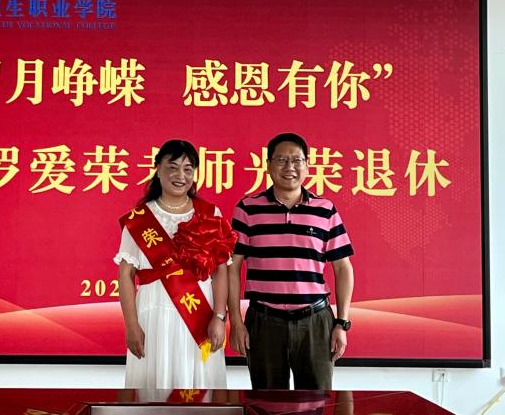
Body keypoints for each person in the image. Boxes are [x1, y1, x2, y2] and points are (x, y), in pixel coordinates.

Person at [228, 132, 355, 390]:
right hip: (263, 322)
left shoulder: (325, 209)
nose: (290, 167)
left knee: (316, 402)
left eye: (297, 160)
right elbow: (232, 268)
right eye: (281, 160)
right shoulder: (248, 209)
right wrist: (236, 323)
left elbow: (343, 268)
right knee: (267, 402)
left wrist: (341, 323)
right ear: (268, 165)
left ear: (307, 165)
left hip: (315, 322)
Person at [115, 139, 236, 389]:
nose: (181, 176)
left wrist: (219, 316)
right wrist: (131, 325)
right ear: (158, 169)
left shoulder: (209, 214)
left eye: (188, 169)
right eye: (172, 167)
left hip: (200, 315)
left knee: (198, 383)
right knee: (153, 385)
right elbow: (126, 275)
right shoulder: (140, 219)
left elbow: (220, 270)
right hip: (153, 314)